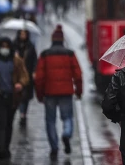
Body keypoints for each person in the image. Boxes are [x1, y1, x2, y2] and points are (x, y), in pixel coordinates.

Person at [35, 25, 83, 161]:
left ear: (52, 40)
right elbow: (78, 75)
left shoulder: (45, 55)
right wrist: (79, 91)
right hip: (66, 92)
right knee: (67, 117)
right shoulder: (70, 54)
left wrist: (39, 95)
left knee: (50, 120)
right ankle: (67, 133)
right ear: (62, 40)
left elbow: (39, 78)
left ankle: (54, 147)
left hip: (49, 93)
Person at [0, 37, 29, 160]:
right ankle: (1, 148)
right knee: (1, 122)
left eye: (7, 46)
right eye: (2, 46)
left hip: (12, 97)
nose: (5, 49)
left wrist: (20, 84)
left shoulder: (17, 62)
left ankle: (6, 147)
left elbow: (25, 76)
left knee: (8, 123)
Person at [14, 30, 37, 127]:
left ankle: (23, 114)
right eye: (21, 34)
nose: (23, 36)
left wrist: (34, 71)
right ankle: (21, 113)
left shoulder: (30, 46)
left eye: (24, 34)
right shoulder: (14, 45)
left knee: (25, 96)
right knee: (18, 95)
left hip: (27, 74)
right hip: (16, 74)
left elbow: (34, 59)